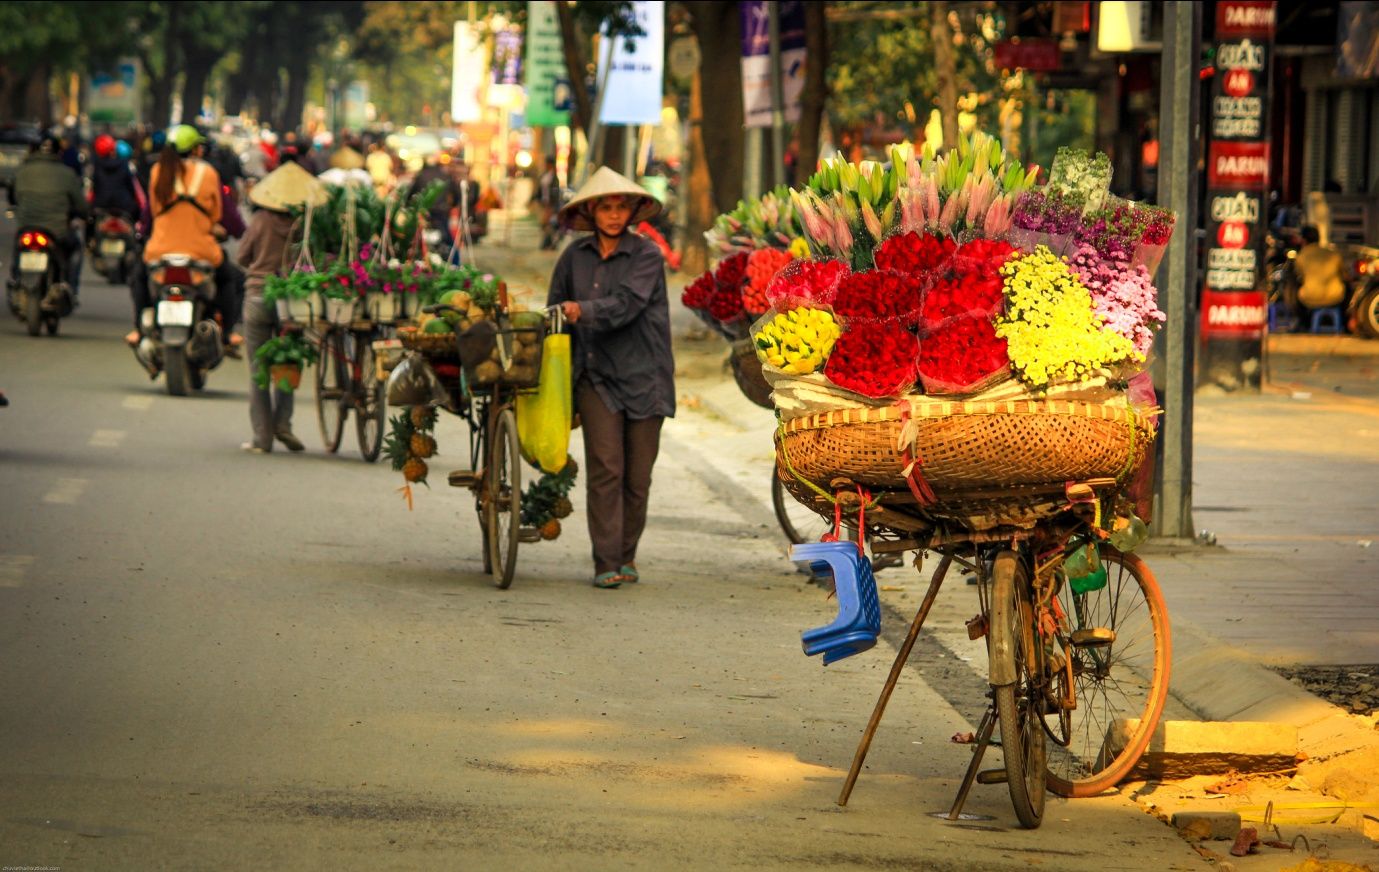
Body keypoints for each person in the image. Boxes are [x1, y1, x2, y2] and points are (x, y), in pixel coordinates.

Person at [546, 167, 674, 589]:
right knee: (606, 470)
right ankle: (605, 561)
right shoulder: (573, 257)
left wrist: (585, 309)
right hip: (595, 375)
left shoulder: (647, 255)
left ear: (633, 211)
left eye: (621, 207)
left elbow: (627, 304)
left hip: (644, 376)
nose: (615, 215)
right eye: (606, 207)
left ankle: (626, 555)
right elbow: (555, 314)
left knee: (638, 477)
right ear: (592, 211)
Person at [237, 162, 326, 453]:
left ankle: (262, 438)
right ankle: (283, 424)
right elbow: (319, 260)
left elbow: (242, 257)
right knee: (287, 364)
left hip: (258, 297)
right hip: (293, 303)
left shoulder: (261, 220)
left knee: (258, 368)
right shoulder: (305, 225)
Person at [126, 124, 234, 347]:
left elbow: (152, 211)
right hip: (201, 252)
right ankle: (228, 334)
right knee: (232, 279)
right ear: (194, 150)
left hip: (160, 251)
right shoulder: (208, 172)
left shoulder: (158, 171)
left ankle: (138, 329)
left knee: (138, 276)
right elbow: (217, 214)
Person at [11, 132, 88, 303]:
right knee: (75, 249)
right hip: (57, 231)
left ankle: (16, 279)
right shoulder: (67, 173)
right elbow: (81, 206)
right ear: (58, 152)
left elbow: (13, 197)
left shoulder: (22, 171)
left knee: (17, 249)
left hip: (26, 227)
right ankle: (70, 287)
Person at [89, 133, 140, 220]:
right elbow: (130, 187)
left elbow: (95, 187)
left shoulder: (97, 165)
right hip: (124, 205)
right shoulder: (123, 164)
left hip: (101, 205)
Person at [536, 157, 560, 250]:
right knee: (545, 224)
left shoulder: (554, 177)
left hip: (550, 204)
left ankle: (549, 242)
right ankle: (549, 242)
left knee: (546, 223)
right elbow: (540, 189)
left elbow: (555, 191)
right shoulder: (544, 175)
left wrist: (552, 203)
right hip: (543, 203)